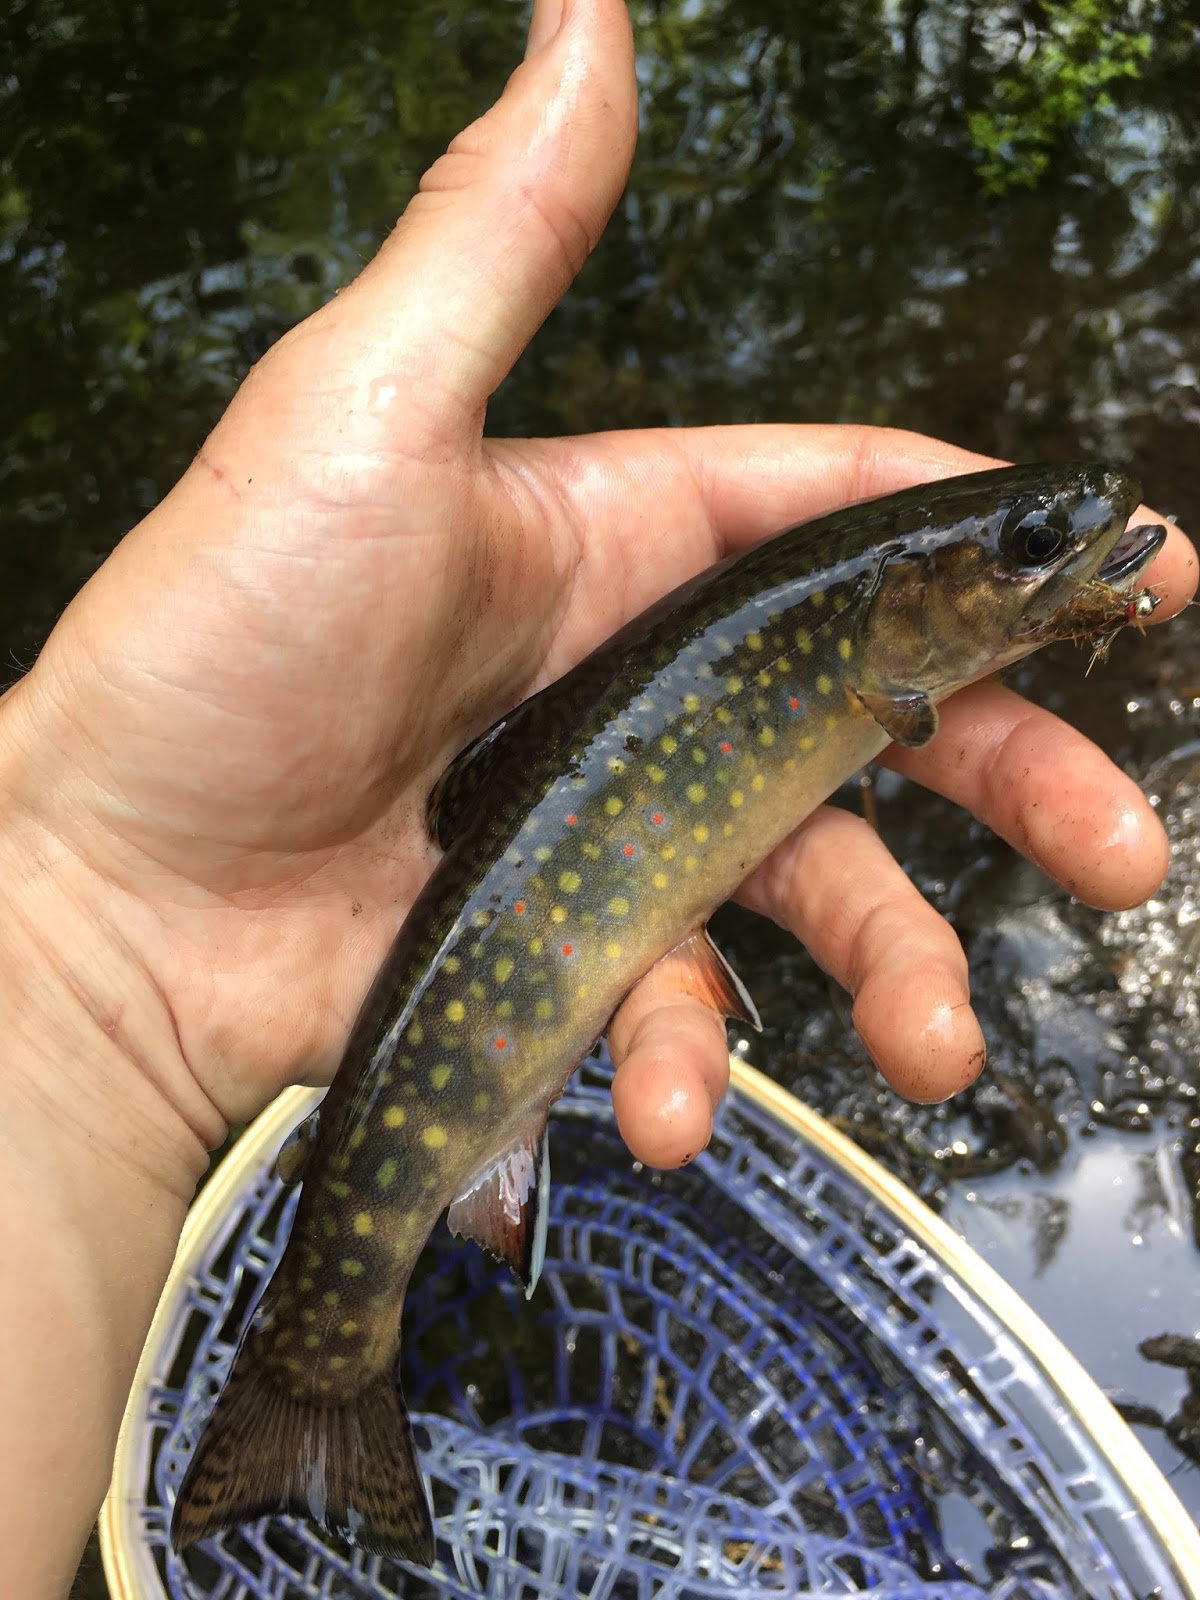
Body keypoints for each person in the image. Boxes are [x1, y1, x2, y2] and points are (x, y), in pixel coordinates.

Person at [0, 0, 1192, 1593]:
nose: (1072, 553)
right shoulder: (853, 660)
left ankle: (314, 1382)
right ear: (893, 618)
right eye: (1025, 554)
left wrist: (57, 954)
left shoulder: (858, 653)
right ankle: (311, 1385)